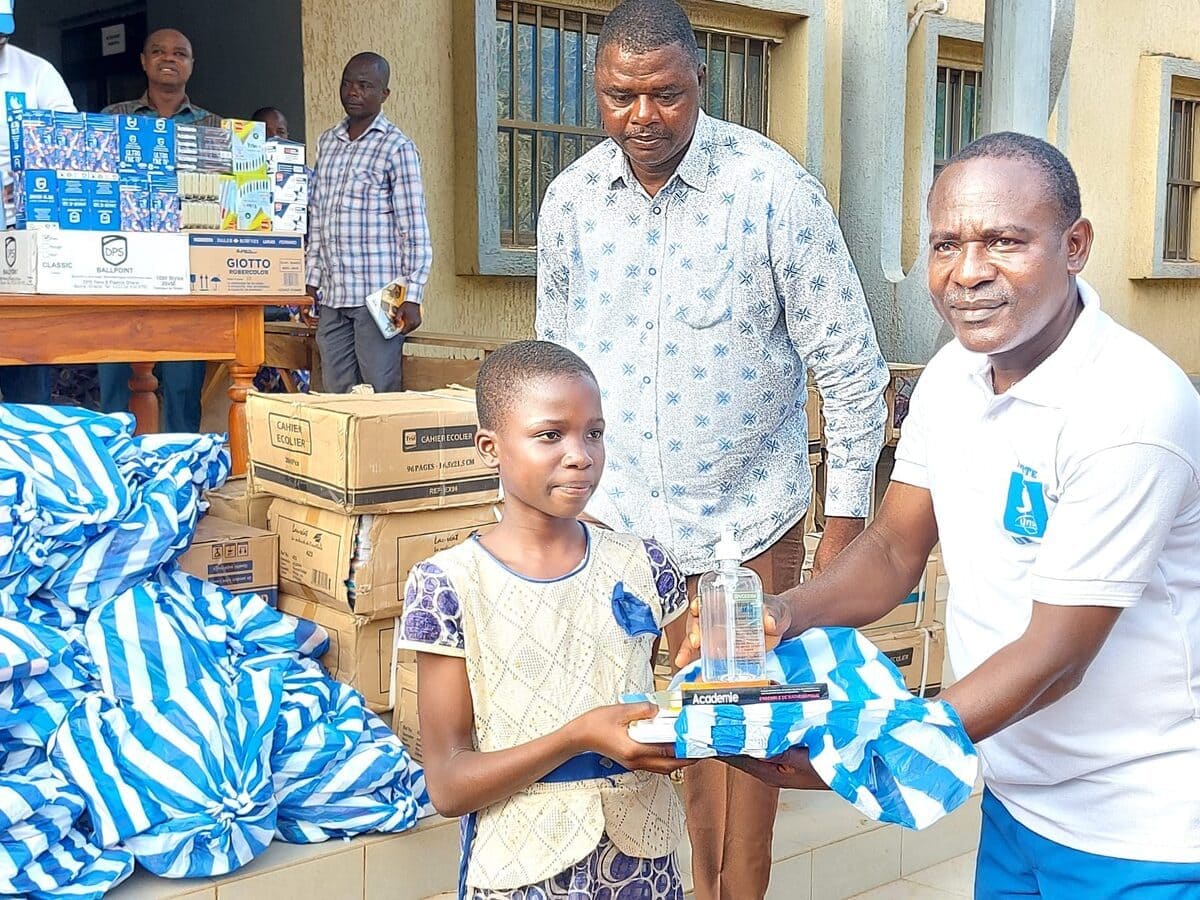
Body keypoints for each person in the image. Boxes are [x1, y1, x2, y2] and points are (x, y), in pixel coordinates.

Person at [692, 133, 1200, 897]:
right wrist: (781, 613)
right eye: (946, 244)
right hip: (1017, 801)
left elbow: (1057, 656)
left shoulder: (1130, 409)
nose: (968, 273)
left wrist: (871, 746)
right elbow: (896, 548)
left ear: (1075, 245)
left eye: (1004, 242)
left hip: (1144, 830)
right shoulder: (955, 375)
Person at [534, 1, 887, 896]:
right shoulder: (572, 201)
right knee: (619, 744)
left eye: (664, 94)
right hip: (612, 532)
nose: (642, 116)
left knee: (735, 774)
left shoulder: (773, 190)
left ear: (703, 84)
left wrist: (840, 542)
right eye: (620, 97)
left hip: (742, 539)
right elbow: (554, 367)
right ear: (596, 93)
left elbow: (850, 372)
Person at [397, 340, 693, 899]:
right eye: (550, 435)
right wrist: (576, 739)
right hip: (523, 874)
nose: (580, 454)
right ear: (491, 447)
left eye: (594, 433)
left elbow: (687, 689)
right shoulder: (449, 585)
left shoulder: (643, 564)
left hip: (647, 868)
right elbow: (448, 784)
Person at [97, 28, 220, 432]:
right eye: (158, 51)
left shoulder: (213, 127)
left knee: (184, 387)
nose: (169, 58)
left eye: (180, 53)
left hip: (187, 275)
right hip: (119, 270)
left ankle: (181, 472)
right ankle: (118, 468)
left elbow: (227, 204)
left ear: (191, 65)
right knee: (117, 383)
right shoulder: (113, 119)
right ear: (143, 61)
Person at [305, 52, 432, 393]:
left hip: (383, 295)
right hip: (333, 296)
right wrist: (309, 284)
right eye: (347, 83)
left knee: (379, 395)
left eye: (364, 85)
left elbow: (413, 228)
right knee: (338, 396)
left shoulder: (397, 147)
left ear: (384, 94)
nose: (353, 92)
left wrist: (413, 295)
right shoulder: (327, 142)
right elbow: (318, 218)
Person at [0, 0, 75, 404]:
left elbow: (71, 144)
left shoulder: (36, 73)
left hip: (20, 245)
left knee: (25, 375)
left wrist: (30, 175)